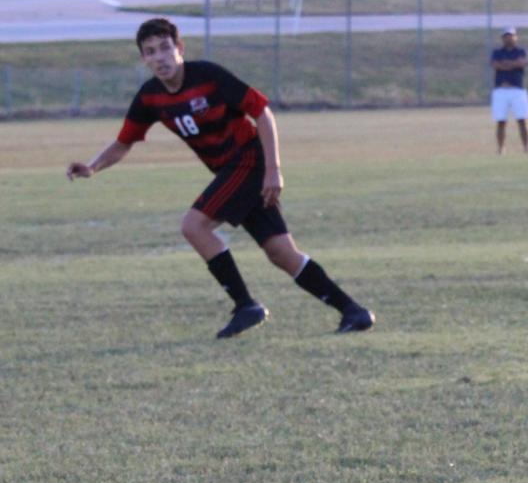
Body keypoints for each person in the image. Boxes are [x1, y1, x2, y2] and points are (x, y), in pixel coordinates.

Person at [66, 18, 374, 338]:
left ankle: (246, 305)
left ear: (180, 49)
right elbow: (123, 142)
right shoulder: (150, 97)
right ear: (143, 59)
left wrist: (273, 169)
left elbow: (262, 112)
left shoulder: (209, 76)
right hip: (233, 172)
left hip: (249, 162)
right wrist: (92, 167)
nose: (159, 57)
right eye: (150, 52)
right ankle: (353, 311)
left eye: (165, 48)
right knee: (281, 252)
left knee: (193, 225)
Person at [490, 27, 528, 154]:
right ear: (502, 38)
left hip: (517, 90)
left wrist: (506, 64)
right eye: (506, 36)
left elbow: (522, 63)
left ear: (516, 37)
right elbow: (495, 64)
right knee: (501, 121)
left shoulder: (521, 51)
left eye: (511, 35)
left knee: (522, 120)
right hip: (501, 90)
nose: (509, 38)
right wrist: (512, 64)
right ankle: (501, 149)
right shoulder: (497, 52)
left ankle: (526, 148)